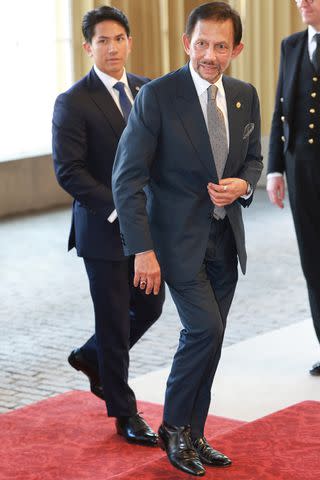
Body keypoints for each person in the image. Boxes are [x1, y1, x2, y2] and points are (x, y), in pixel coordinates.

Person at [112, 1, 263, 476]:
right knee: (205, 330)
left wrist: (244, 185)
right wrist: (142, 249)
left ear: (236, 49)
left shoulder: (244, 95)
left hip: (225, 239)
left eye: (221, 46)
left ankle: (196, 433)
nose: (209, 55)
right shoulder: (158, 96)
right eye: (202, 44)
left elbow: (253, 160)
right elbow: (126, 178)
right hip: (175, 243)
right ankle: (174, 429)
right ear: (186, 43)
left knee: (211, 340)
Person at [52, 5, 165, 446]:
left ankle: (92, 356)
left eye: (119, 38)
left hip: (148, 227)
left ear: (130, 42)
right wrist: (119, 207)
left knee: (151, 308)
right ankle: (124, 412)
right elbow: (70, 171)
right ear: (88, 47)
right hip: (102, 229)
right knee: (115, 320)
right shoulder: (74, 101)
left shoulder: (148, 90)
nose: (112, 47)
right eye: (102, 40)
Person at [267, 0, 320, 376]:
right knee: (313, 260)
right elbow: (279, 110)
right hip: (301, 170)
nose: (302, 1)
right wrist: (274, 169)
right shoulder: (291, 45)